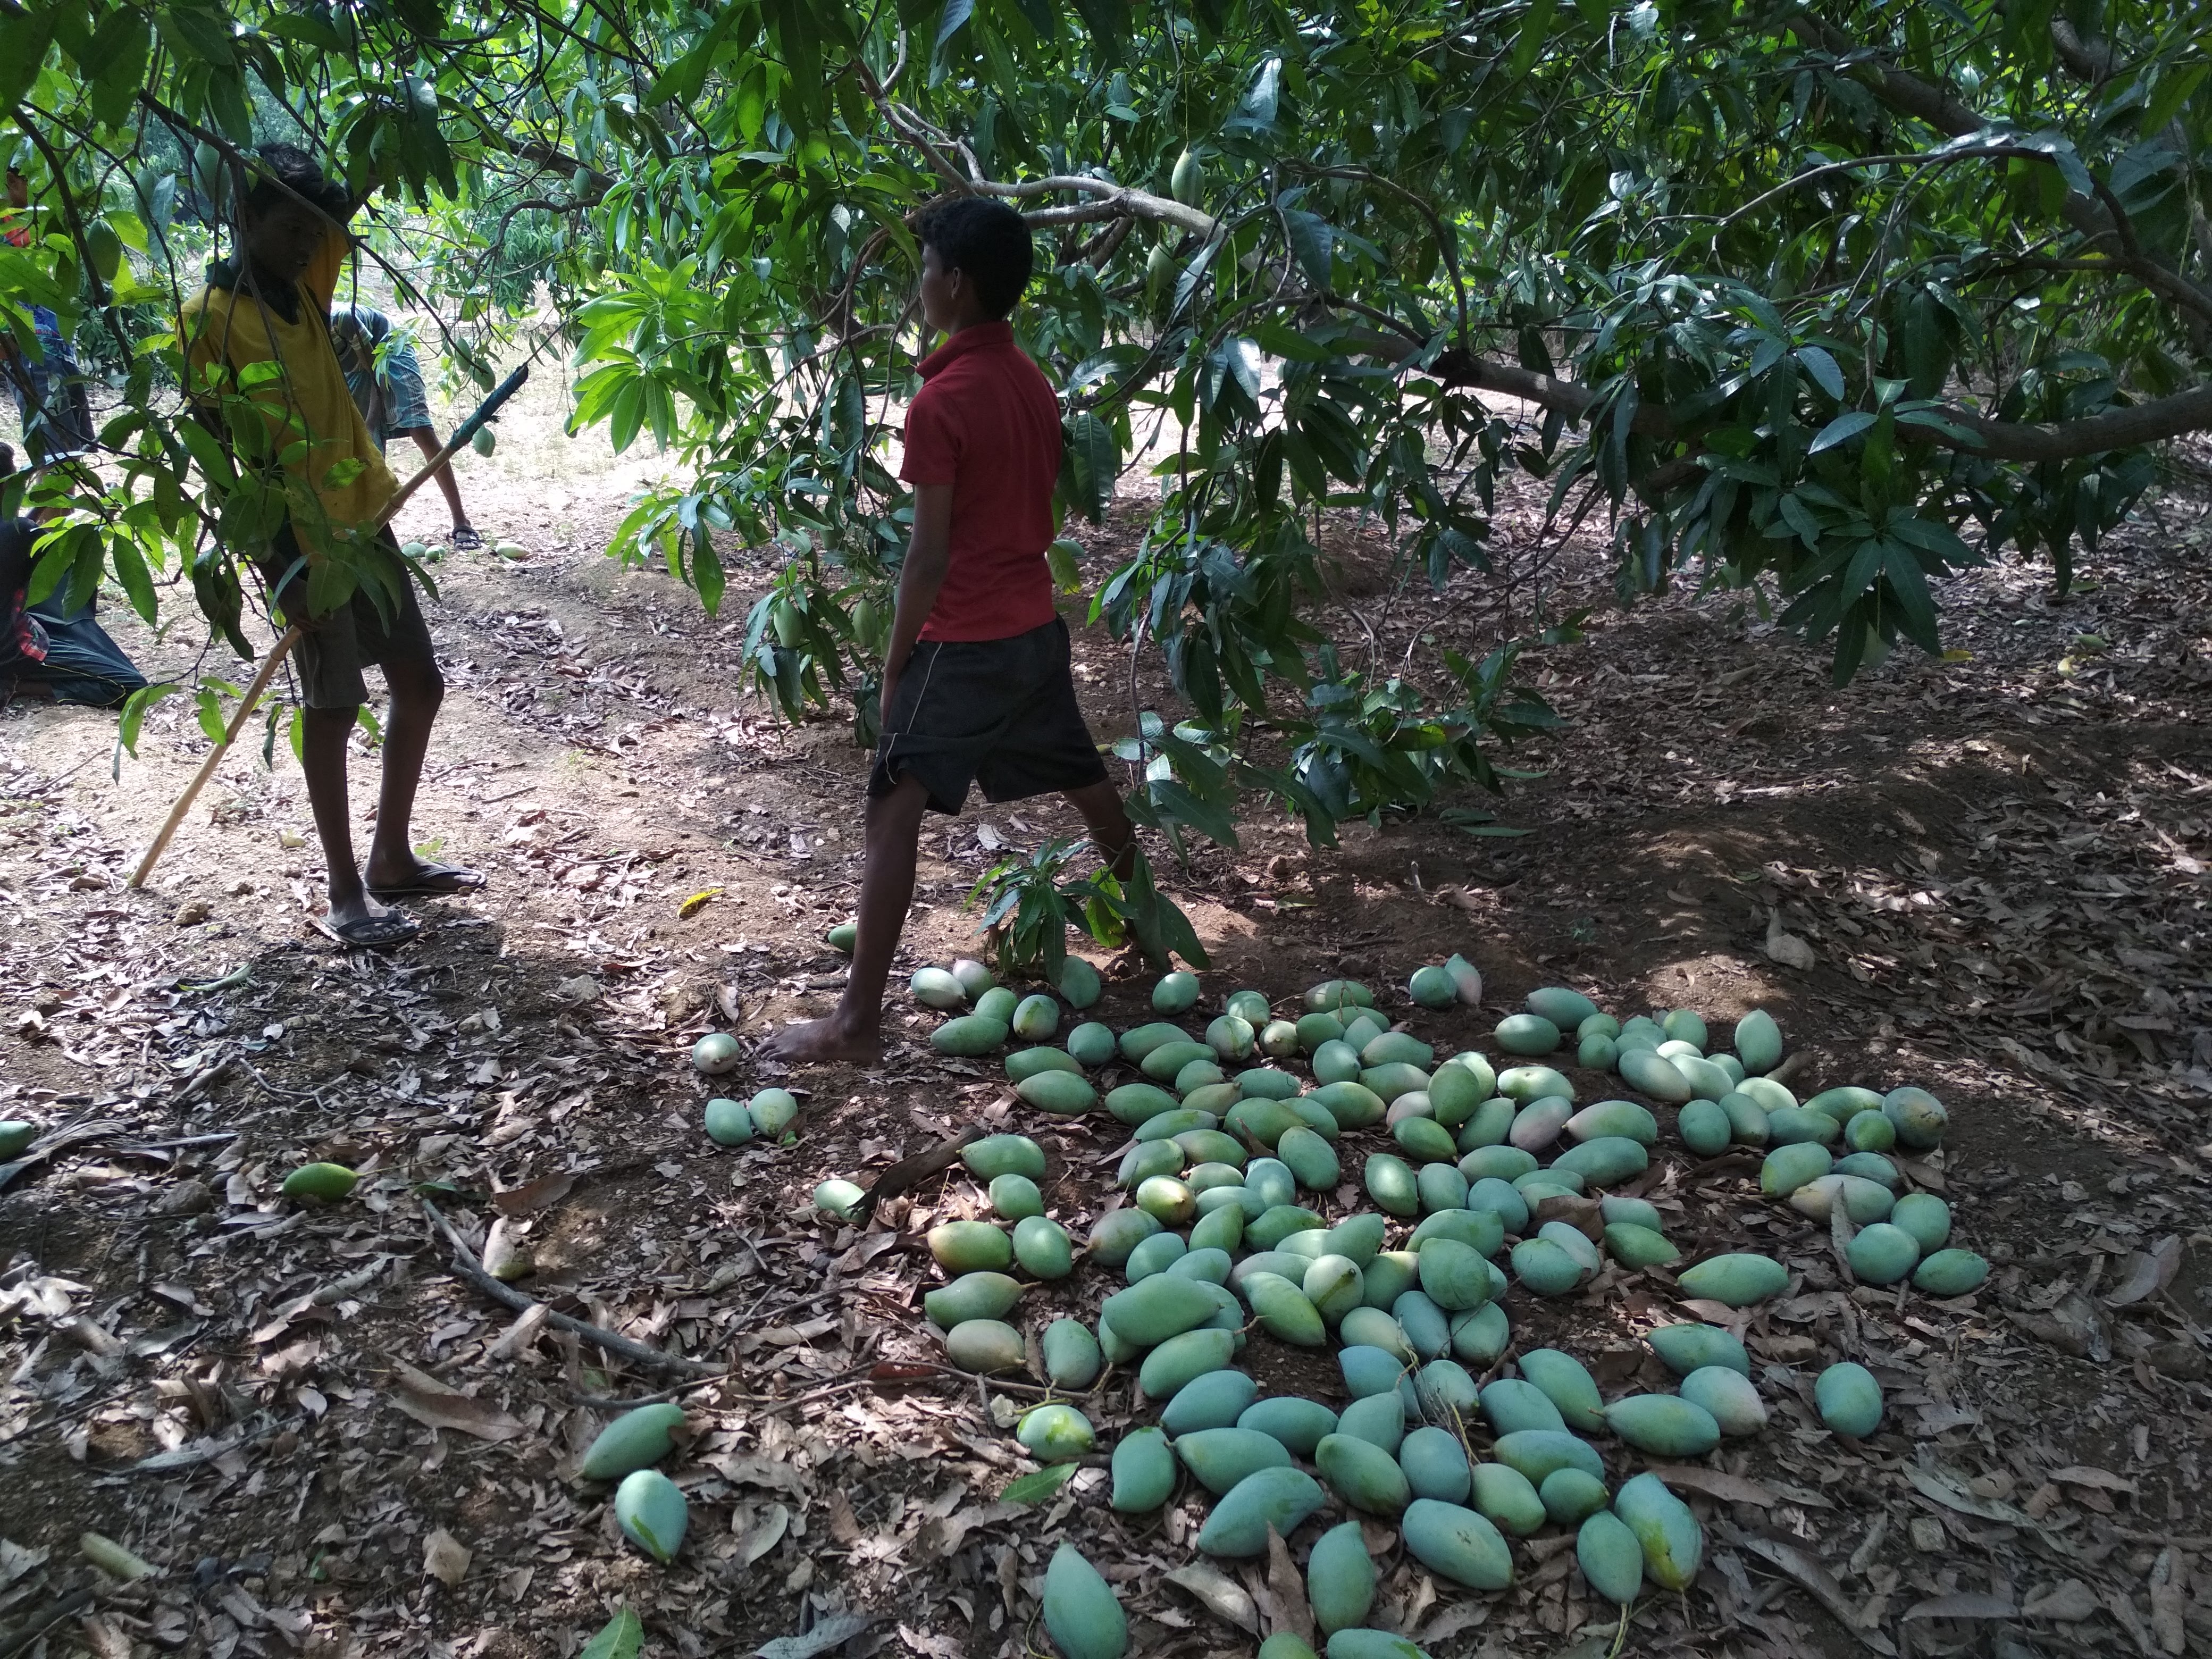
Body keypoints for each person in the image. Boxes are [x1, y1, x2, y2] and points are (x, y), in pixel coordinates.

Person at [767, 197, 1135, 1065]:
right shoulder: (1031, 382)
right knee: (1084, 778)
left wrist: (897, 665)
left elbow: (927, 558)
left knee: (892, 809)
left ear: (956, 283)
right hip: (1035, 627)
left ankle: (855, 1025)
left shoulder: (941, 402)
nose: (918, 280)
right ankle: (1151, 932)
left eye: (925, 264)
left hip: (965, 638)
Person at [179, 144, 481, 949]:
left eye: (313, 233)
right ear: (244, 220)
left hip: (362, 519)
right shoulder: (210, 321)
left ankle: (391, 859)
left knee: (420, 683)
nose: (308, 246)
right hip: (300, 545)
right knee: (336, 704)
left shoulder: (304, 285)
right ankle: (345, 890)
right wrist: (283, 573)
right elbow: (224, 462)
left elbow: (340, 212)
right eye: (287, 228)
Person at [0, 442, 148, 708]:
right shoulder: (19, 533)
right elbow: (68, 557)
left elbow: (20, 533)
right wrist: (106, 516)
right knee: (128, 686)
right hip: (9, 650)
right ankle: (19, 686)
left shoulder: (18, 532)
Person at [329, 301, 484, 550]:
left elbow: (374, 371)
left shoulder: (342, 320)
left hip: (389, 349)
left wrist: (371, 418)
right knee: (363, 444)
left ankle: (461, 522)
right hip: (357, 366)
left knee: (420, 431)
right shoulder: (300, 340)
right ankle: (372, 531)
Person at [2, 168, 98, 465]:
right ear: (13, 182)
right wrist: (12, 353)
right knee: (60, 464)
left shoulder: (27, 224)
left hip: (59, 354)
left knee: (72, 456)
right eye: (30, 179)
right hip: (34, 361)